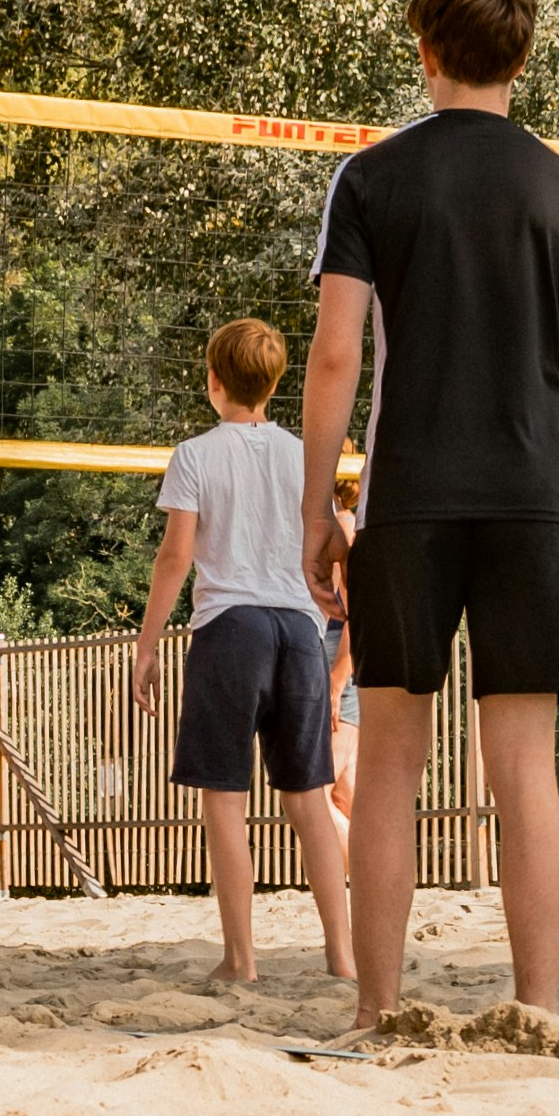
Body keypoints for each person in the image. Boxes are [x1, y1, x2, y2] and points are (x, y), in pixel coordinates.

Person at [295, 0, 559, 1029]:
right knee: (522, 766)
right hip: (534, 502)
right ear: (520, 61)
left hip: (411, 499)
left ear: (424, 53)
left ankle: (376, 1010)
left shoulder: (371, 178)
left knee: (386, 758)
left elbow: (335, 358)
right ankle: (534, 1011)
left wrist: (316, 512)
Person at [129, 315, 354, 991]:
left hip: (231, 629)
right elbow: (334, 541)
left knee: (225, 801)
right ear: (277, 381)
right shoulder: (304, 453)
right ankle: (343, 958)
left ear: (213, 381)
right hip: (299, 632)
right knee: (310, 802)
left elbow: (175, 558)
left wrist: (147, 647)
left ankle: (241, 962)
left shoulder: (196, 454)